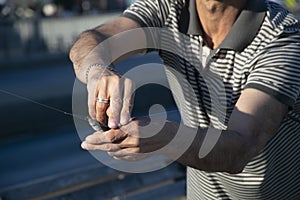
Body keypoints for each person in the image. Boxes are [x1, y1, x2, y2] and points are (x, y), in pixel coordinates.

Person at [69, 0, 300, 199]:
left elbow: (239, 148)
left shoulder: (282, 37)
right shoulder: (169, 8)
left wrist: (166, 137)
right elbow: (95, 39)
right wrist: (99, 71)